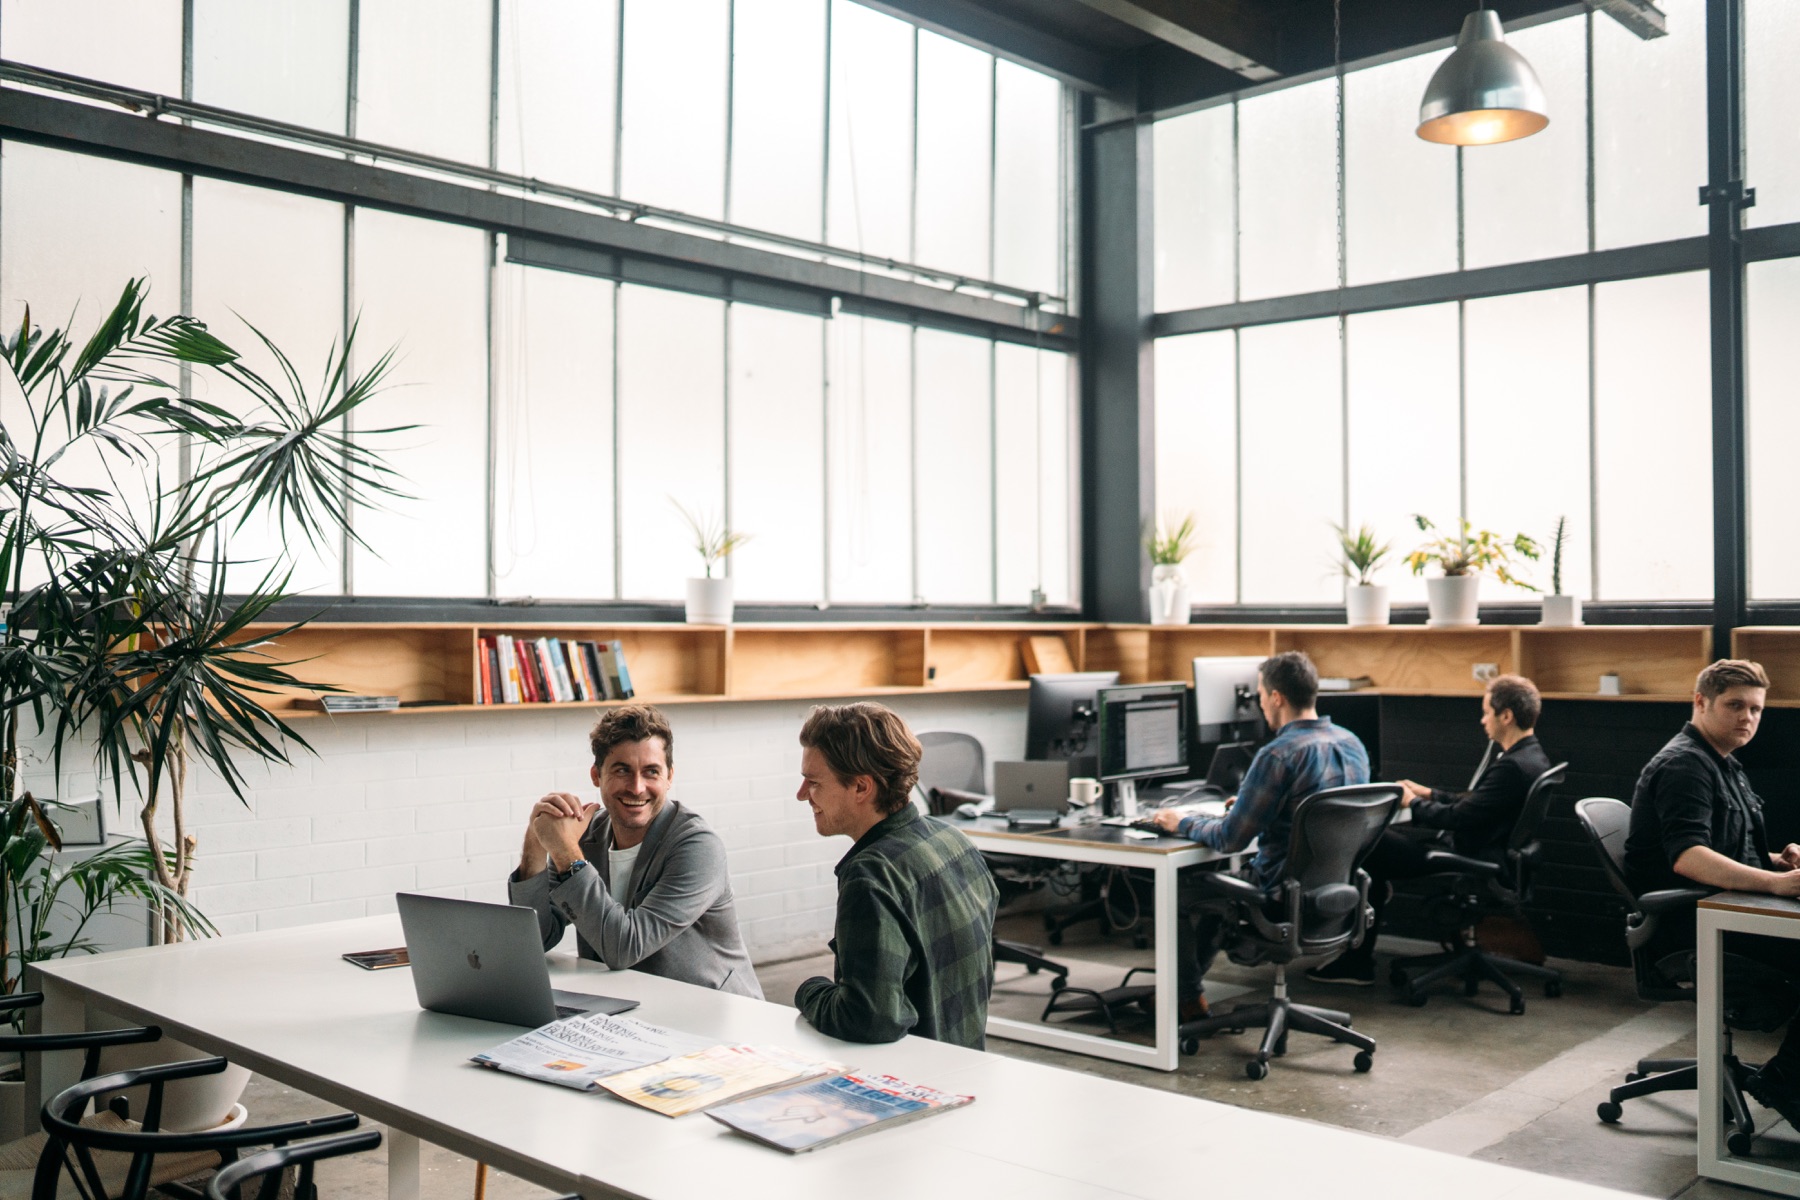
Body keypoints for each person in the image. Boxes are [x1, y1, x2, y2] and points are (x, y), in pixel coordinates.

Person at [1622, 659, 1800, 1123]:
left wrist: (1777, 860)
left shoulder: (1722, 760)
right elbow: (1688, 857)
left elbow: (1727, 846)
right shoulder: (1685, 765)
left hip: (1722, 913)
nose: (1748, 718)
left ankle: (1789, 1077)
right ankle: (1787, 1082)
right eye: (1735, 705)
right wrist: (1776, 884)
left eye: (1757, 709)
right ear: (1701, 703)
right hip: (1693, 927)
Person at [1149, 650, 1370, 1020]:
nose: (1260, 703)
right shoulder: (1352, 744)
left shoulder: (1278, 755)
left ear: (1277, 697)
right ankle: (1182, 997)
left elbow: (1230, 839)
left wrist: (1180, 822)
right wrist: (1255, 804)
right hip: (1332, 892)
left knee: (1177, 889)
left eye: (1261, 695)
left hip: (1277, 893)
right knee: (1216, 892)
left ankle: (1183, 998)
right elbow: (1318, 811)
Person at [1307, 674, 1551, 986]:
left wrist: (1412, 803)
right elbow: (1478, 806)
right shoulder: (1531, 757)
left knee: (1370, 846)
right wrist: (1429, 794)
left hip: (1470, 855)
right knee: (1377, 850)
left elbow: (1459, 818)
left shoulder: (1512, 766)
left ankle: (1357, 959)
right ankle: (1366, 925)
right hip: (1491, 852)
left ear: (1506, 716)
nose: (1482, 720)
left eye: (1487, 712)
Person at [508, 703, 762, 998]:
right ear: (596, 775)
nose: (637, 787)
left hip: (715, 1017)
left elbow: (624, 947)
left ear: (669, 776)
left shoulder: (698, 847)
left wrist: (565, 851)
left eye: (651, 772)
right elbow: (536, 937)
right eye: (622, 770)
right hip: (629, 1010)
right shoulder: (587, 836)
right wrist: (536, 843)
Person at [792, 702, 999, 1048]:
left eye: (813, 782)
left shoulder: (871, 876)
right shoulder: (954, 840)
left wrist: (808, 991)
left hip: (910, 1082)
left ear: (861, 788)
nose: (802, 795)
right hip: (964, 1064)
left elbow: (869, 1020)